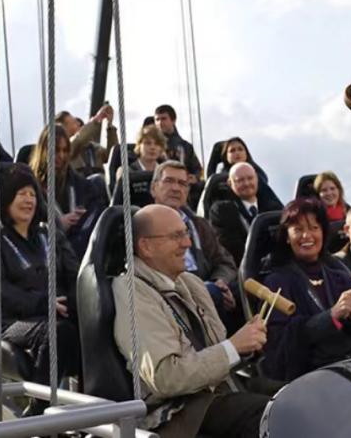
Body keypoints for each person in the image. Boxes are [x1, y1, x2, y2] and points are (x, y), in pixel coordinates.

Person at [113, 204, 270, 437]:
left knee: (295, 395)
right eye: (176, 236)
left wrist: (246, 346)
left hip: (216, 392)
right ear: (146, 246)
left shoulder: (191, 283)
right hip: (175, 412)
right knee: (272, 415)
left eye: (186, 233)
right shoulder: (132, 293)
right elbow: (167, 378)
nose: (187, 243)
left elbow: (215, 352)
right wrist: (233, 347)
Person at [0, 166, 81, 399]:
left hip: (57, 314)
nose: (28, 200)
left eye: (32, 194)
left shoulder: (49, 234)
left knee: (93, 326)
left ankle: (95, 408)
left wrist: (75, 302)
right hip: (12, 321)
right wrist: (44, 303)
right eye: (21, 193)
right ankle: (39, 407)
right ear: (6, 200)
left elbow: (74, 274)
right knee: (58, 331)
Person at [261, 198, 351, 381]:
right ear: (287, 237)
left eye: (314, 228)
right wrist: (331, 316)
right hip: (312, 379)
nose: (307, 236)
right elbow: (279, 349)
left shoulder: (340, 276)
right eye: (298, 229)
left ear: (323, 233)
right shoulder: (276, 283)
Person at [150, 161, 239, 324]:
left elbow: (225, 262)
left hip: (206, 288)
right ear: (153, 188)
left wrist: (220, 281)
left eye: (182, 183)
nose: (176, 188)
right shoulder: (142, 225)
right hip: (166, 296)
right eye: (169, 181)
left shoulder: (200, 225)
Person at [28, 124, 106, 258]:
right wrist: (59, 223)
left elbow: (95, 206)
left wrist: (82, 216)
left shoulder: (77, 181)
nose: (61, 156)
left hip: (79, 245)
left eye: (65, 150)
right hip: (48, 252)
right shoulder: (29, 185)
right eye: (56, 150)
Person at [208, 162, 284, 264]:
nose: (247, 183)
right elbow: (231, 248)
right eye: (240, 180)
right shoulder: (222, 211)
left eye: (250, 178)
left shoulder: (273, 208)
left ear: (257, 179)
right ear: (230, 183)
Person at [62, 106, 118, 176]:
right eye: (74, 123)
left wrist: (110, 127)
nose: (79, 124)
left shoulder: (94, 148)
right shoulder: (64, 150)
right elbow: (78, 140)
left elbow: (112, 156)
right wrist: (97, 119)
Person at [153, 105, 202, 184]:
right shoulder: (152, 146)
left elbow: (197, 169)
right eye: (157, 119)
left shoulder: (186, 147)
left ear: (173, 120)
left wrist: (195, 177)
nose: (160, 123)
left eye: (164, 119)